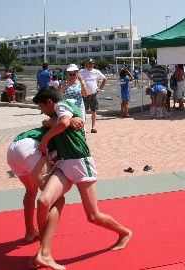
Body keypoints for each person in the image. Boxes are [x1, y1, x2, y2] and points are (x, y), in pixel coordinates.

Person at [32, 87, 132, 269]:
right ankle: (44, 252)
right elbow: (55, 121)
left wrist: (46, 139)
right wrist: (54, 122)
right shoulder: (63, 111)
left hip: (80, 163)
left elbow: (61, 122)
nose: (42, 111)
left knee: (93, 216)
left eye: (42, 106)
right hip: (64, 164)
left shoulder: (62, 105)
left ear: (50, 102)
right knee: (44, 201)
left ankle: (125, 232)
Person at [7, 118, 84, 270]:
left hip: (13, 149)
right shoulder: (64, 128)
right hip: (30, 149)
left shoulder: (55, 123)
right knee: (57, 199)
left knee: (31, 190)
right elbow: (57, 122)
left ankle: (30, 232)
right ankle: (45, 252)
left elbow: (46, 122)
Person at [80, 58, 107, 133]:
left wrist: (100, 88)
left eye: (92, 64)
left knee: (94, 110)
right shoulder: (81, 71)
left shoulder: (96, 72)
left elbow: (104, 79)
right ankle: (83, 127)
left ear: (93, 64)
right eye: (89, 63)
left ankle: (93, 127)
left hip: (93, 94)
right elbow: (76, 79)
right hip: (83, 94)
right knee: (83, 111)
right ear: (86, 64)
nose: (90, 65)